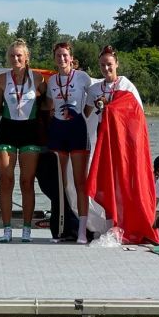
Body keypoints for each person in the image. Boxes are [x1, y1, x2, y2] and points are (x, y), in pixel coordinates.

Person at [85, 46, 159, 244]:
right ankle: (111, 225)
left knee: (124, 184)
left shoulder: (126, 86)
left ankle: (128, 224)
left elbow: (137, 116)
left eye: (109, 64)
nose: (106, 68)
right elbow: (86, 114)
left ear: (116, 64)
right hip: (104, 145)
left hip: (123, 145)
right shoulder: (94, 89)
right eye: (102, 65)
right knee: (107, 183)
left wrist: (111, 110)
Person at [0, 39, 46, 243]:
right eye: (12, 55)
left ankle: (26, 229)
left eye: (19, 56)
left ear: (26, 58)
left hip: (29, 131)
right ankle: (6, 230)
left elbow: (47, 104)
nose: (15, 59)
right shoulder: (1, 80)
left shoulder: (38, 79)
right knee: (6, 181)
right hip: (7, 130)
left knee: (26, 182)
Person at [46, 42, 92, 243]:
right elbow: (49, 106)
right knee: (61, 183)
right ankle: (63, 229)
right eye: (58, 55)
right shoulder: (52, 80)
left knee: (81, 182)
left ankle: (82, 230)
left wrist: (81, 115)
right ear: (54, 58)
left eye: (65, 55)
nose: (62, 59)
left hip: (77, 130)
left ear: (71, 58)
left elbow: (91, 103)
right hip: (58, 130)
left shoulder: (83, 77)